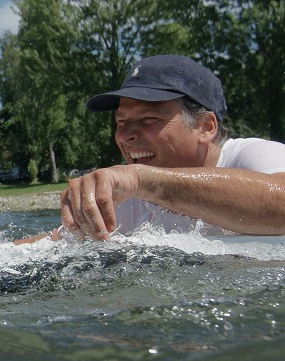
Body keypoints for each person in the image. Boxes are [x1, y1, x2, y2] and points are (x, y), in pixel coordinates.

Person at [57, 54, 285, 241]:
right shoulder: (128, 200)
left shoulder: (250, 155)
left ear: (205, 126)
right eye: (121, 122)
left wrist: (143, 180)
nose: (126, 136)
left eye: (147, 119)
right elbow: (43, 248)